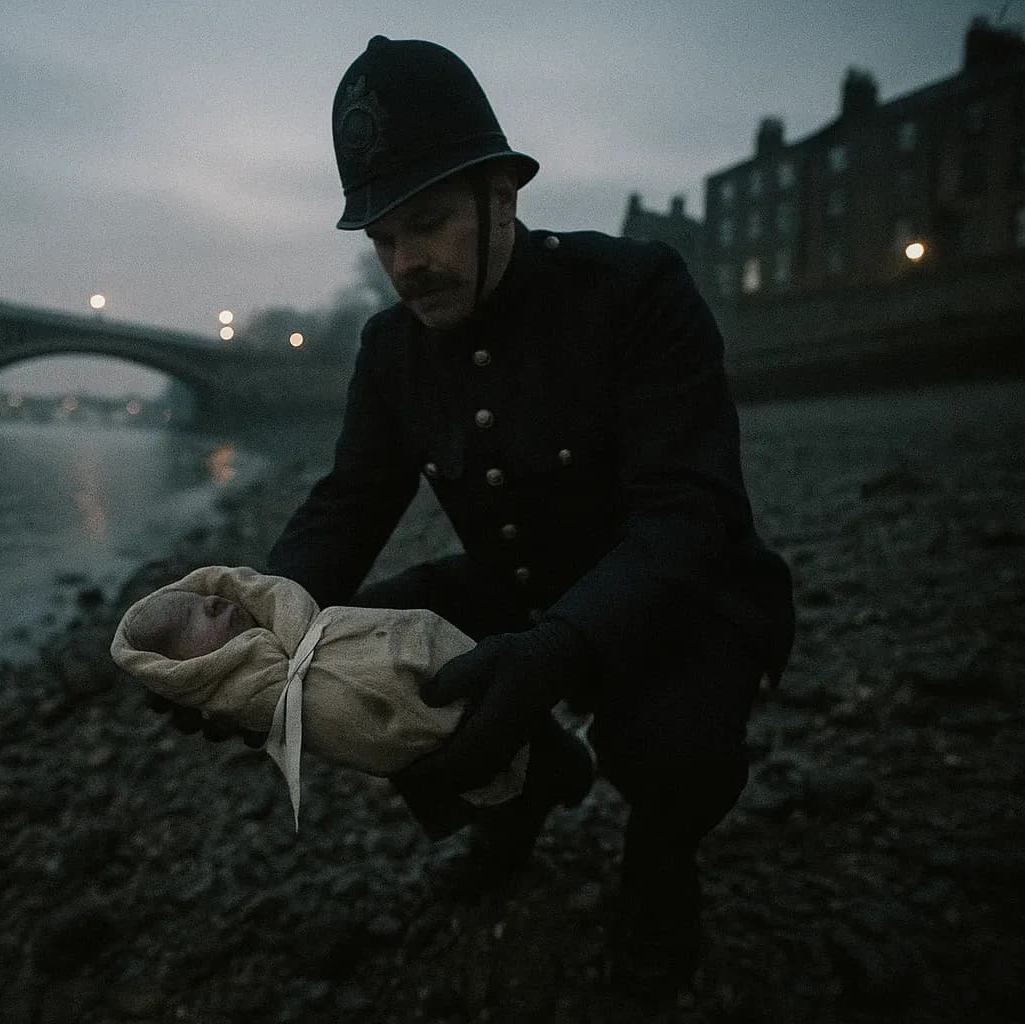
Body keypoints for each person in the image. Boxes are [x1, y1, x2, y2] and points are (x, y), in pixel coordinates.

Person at [158, 36, 796, 991]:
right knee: (348, 664)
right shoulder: (390, 350)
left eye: (429, 222)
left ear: (503, 197)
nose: (408, 263)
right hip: (520, 584)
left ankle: (659, 863)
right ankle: (525, 795)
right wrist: (260, 625)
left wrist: (559, 650)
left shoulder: (635, 292)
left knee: (673, 744)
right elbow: (351, 500)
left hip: (678, 597)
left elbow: (688, 515)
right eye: (384, 238)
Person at [112, 565, 592, 825]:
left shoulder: (276, 616)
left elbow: (279, 602)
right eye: (190, 619)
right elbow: (356, 488)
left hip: (593, 565)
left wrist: (554, 651)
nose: (214, 601)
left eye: (203, 598)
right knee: (391, 726)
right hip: (491, 578)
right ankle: (496, 813)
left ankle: (563, 761)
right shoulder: (233, 689)